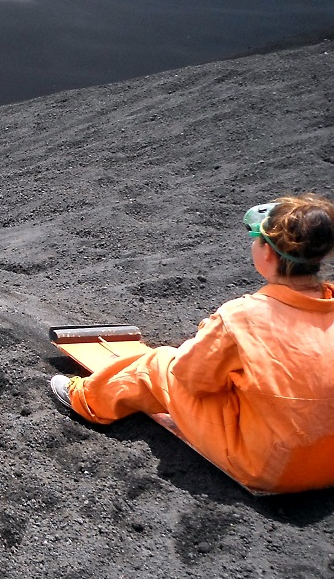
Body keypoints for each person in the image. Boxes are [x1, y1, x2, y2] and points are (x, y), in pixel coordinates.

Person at [50, 193, 334, 494]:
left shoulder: (242, 317)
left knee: (157, 364)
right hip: (328, 463)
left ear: (268, 253)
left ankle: (85, 400)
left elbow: (189, 378)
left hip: (270, 467)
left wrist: (202, 341)